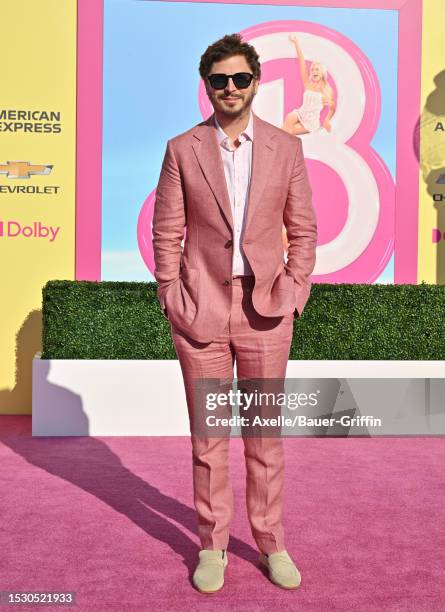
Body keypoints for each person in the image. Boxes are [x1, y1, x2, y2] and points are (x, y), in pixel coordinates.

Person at [152, 33, 317, 594]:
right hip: (201, 312)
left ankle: (271, 543)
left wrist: (295, 289)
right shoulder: (182, 149)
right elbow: (167, 231)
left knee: (265, 438)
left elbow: (304, 228)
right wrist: (174, 296)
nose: (229, 87)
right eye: (219, 79)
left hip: (267, 311)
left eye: (239, 78)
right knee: (210, 439)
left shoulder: (284, 149)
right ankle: (212, 546)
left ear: (255, 82)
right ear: (207, 86)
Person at [283, 34, 336, 135]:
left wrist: (327, 120)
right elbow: (301, 61)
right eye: (312, 69)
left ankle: (280, 148)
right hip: (300, 113)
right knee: (289, 117)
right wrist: (296, 43)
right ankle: (282, 147)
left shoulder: (326, 89)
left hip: (311, 122)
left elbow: (332, 107)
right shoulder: (308, 83)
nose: (314, 71)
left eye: (317, 69)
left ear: (322, 72)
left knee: (284, 131)